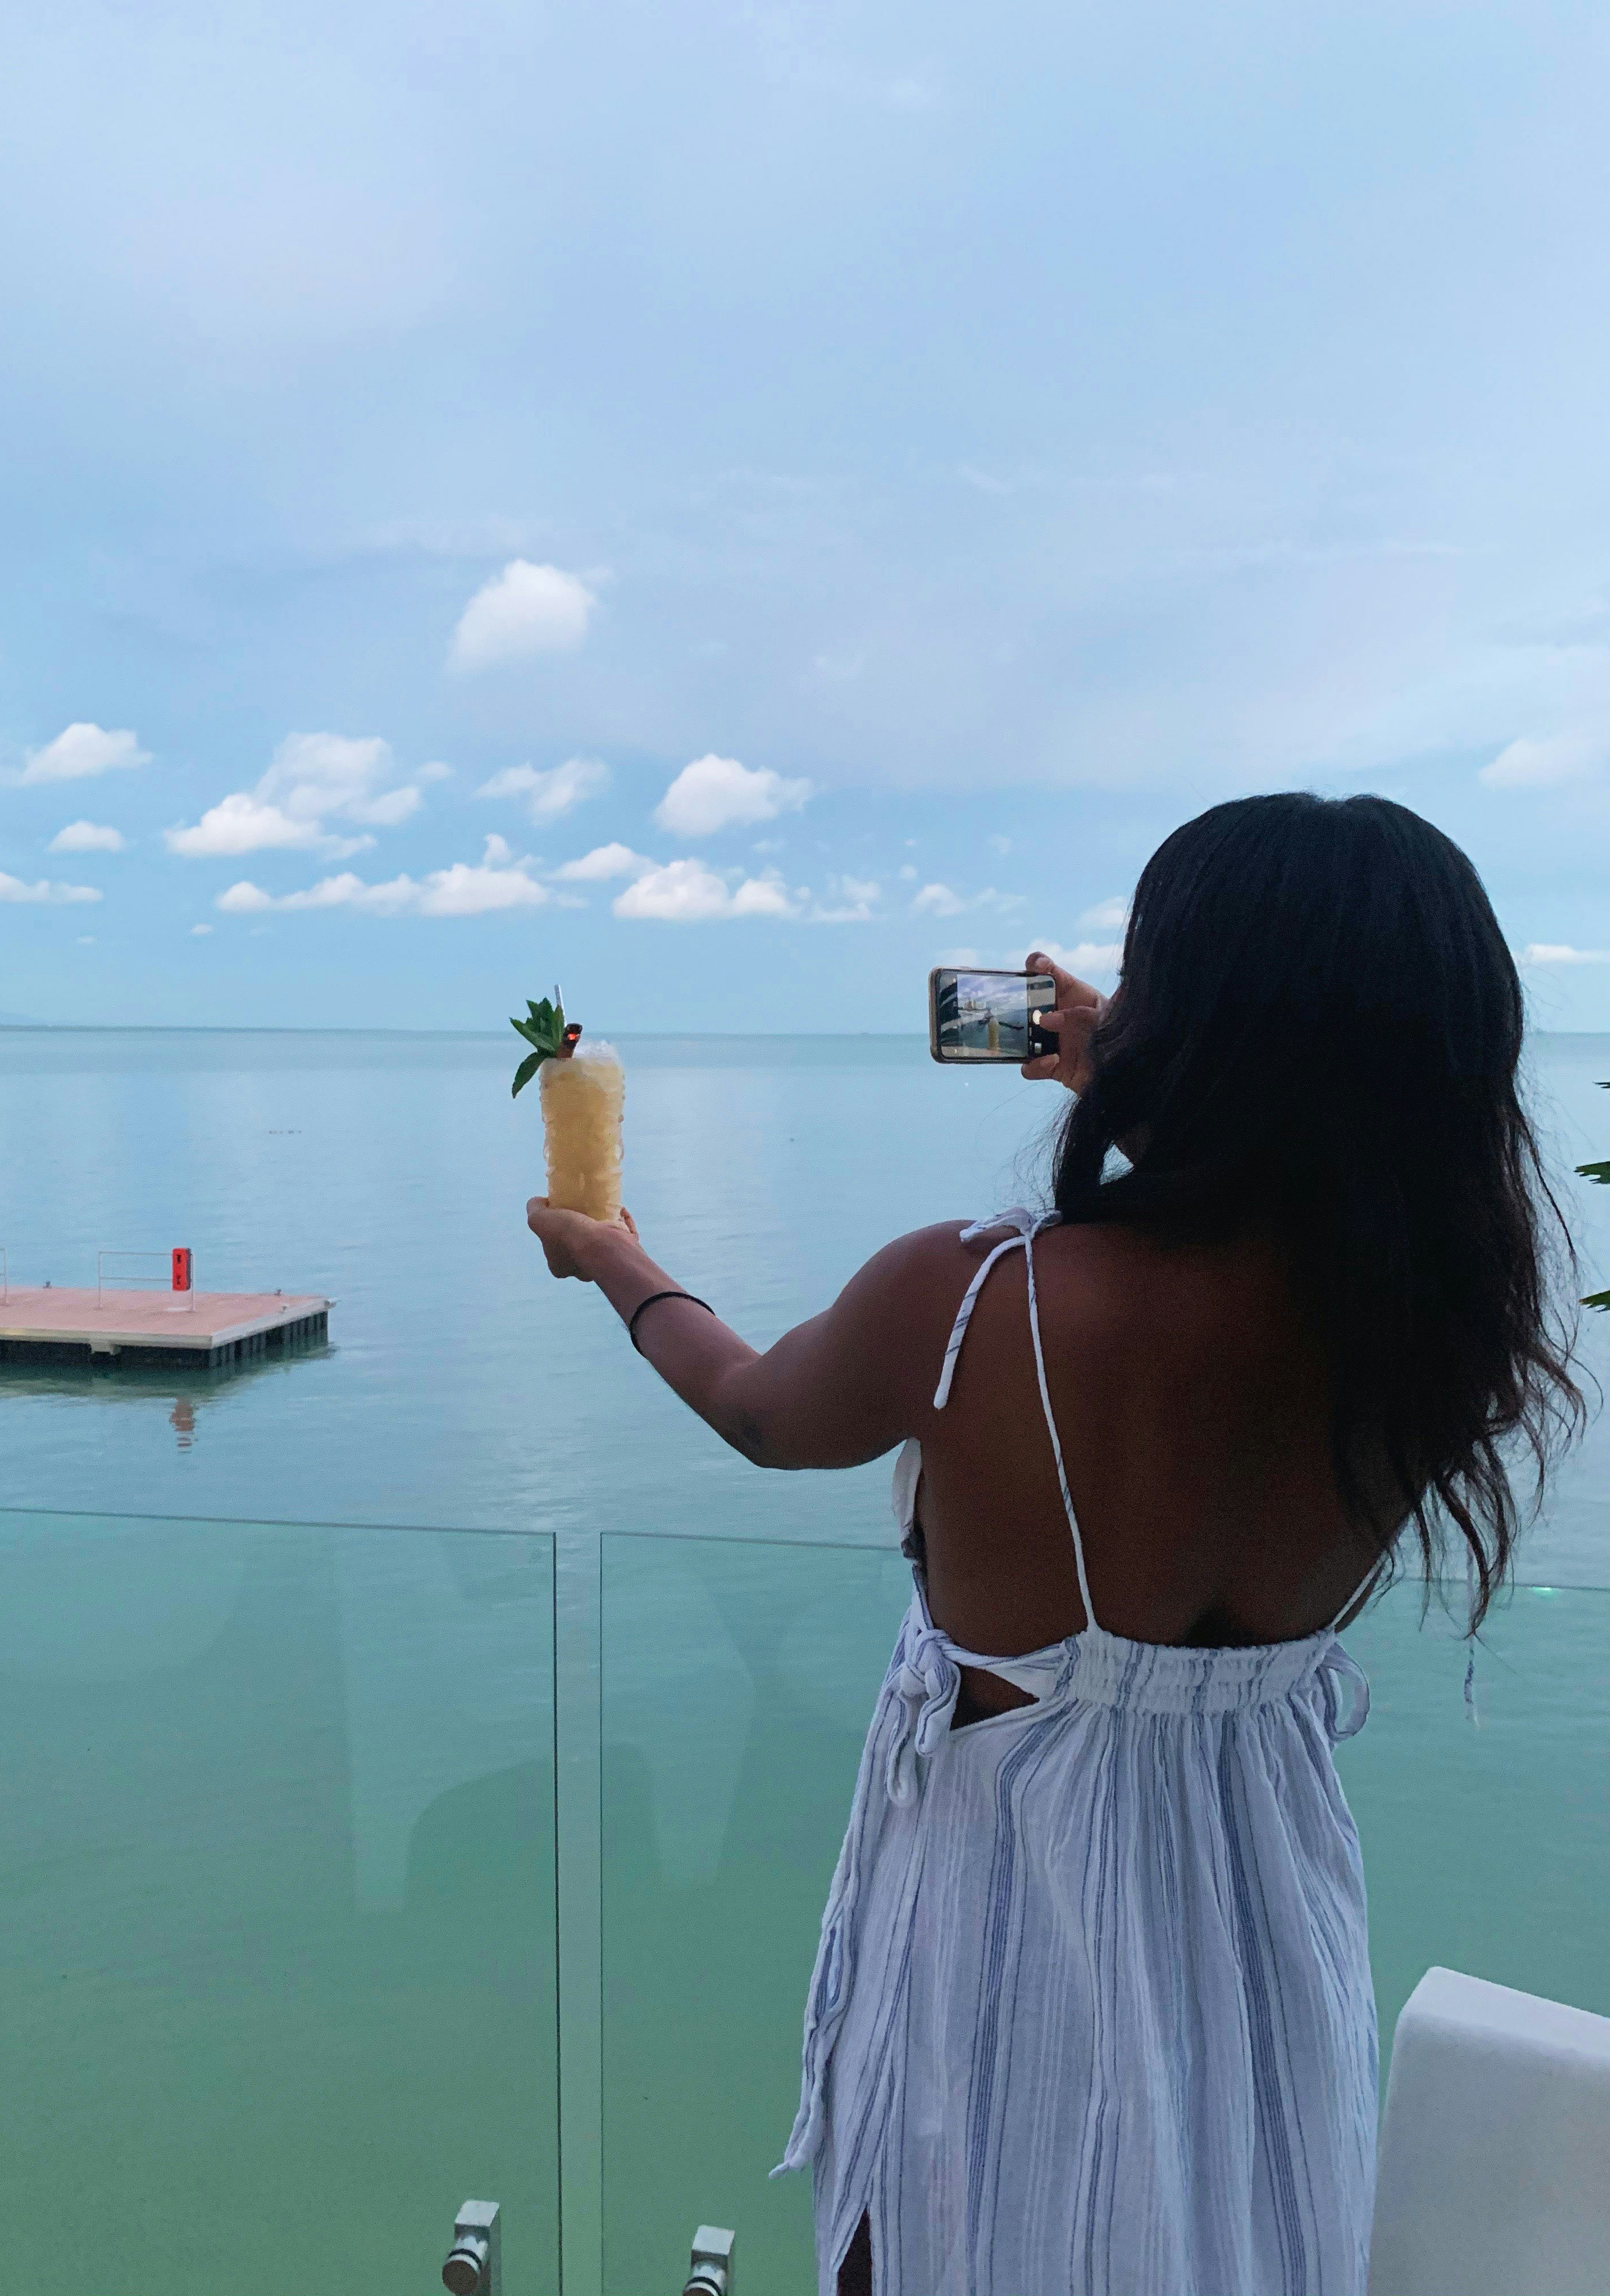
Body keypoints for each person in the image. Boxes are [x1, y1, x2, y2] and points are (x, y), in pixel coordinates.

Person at [527, 793, 1583, 2296]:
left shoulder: (973, 1304)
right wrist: (1155, 1071)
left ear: (1191, 1023)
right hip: (1257, 1894)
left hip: (1013, 1911)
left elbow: (763, 1414)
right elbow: (1302, 1170)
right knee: (1229, 2222)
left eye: (1144, 980)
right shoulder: (1433, 1336)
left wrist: (615, 1257)